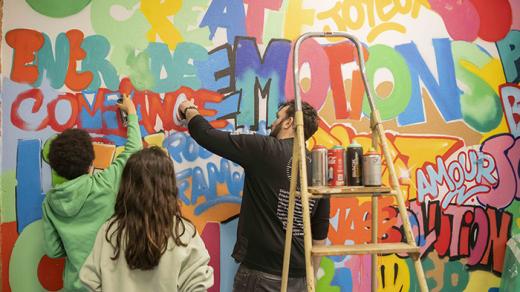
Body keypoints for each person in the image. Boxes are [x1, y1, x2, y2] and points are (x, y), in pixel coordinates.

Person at [179, 99, 330, 291]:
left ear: (288, 122)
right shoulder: (319, 169)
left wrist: (189, 109)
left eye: (277, 118)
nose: (272, 123)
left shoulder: (265, 149)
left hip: (262, 277)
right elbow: (319, 235)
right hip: (300, 278)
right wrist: (311, 281)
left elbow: (207, 135)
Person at [42, 94, 142, 291]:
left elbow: (53, 251)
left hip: (75, 285)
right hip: (108, 284)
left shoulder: (49, 203)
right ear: (91, 164)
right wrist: (131, 113)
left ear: (57, 169)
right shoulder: (104, 184)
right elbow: (134, 149)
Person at [80, 147, 214, 292]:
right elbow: (197, 285)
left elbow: (91, 280)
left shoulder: (110, 231)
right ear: (168, 186)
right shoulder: (184, 234)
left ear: (127, 186)